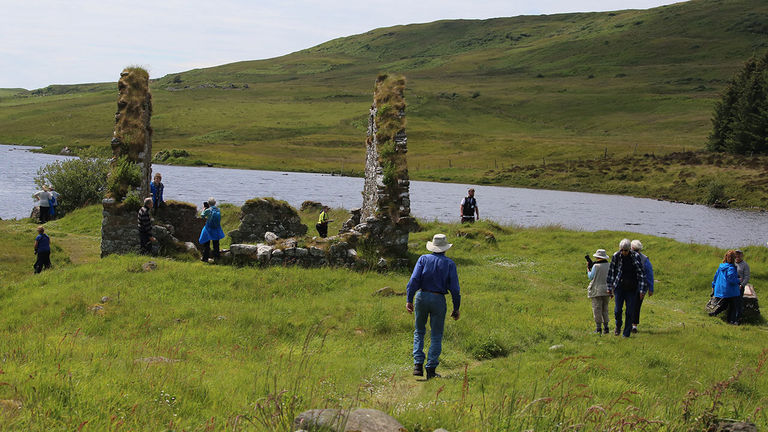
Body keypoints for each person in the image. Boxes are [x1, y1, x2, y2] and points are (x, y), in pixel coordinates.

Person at [406, 234, 461, 379]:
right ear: (445, 248)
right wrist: (456, 308)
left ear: (432, 247)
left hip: (422, 296)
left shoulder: (423, 259)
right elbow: (455, 289)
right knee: (436, 334)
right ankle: (431, 368)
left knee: (419, 331)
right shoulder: (449, 264)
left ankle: (417, 365)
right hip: (438, 299)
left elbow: (414, 280)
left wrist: (409, 299)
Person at [606, 238, 647, 337]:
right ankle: (618, 326)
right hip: (619, 287)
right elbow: (611, 273)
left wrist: (642, 290)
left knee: (629, 311)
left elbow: (641, 273)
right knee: (617, 310)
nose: (624, 252)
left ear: (630, 250)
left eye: (626, 250)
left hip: (632, 288)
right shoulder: (616, 256)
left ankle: (626, 334)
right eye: (622, 250)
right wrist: (609, 288)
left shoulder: (635, 256)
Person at [711, 250, 741, 325]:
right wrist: (738, 280)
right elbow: (731, 279)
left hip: (722, 289)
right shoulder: (731, 268)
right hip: (731, 291)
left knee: (725, 304)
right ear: (734, 258)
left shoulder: (721, 266)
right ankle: (731, 321)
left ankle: (714, 314)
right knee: (733, 306)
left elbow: (715, 276)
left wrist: (713, 286)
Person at [630, 239, 654, 333]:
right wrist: (651, 288)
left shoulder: (644, 259)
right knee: (635, 306)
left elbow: (649, 274)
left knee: (634, 305)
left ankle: (632, 325)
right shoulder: (645, 259)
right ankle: (633, 326)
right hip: (638, 287)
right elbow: (650, 275)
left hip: (639, 287)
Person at [587, 249, 612, 334]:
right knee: (605, 309)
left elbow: (590, 277)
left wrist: (588, 270)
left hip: (597, 290)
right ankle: (606, 327)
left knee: (597, 309)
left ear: (597, 257)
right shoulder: (609, 265)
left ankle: (598, 328)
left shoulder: (596, 266)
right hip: (607, 289)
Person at [199, 197, 225, 262]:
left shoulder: (208, 210)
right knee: (216, 244)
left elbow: (202, 216)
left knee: (206, 244)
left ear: (208, 203)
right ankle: (216, 258)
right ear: (215, 203)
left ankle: (205, 258)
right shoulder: (218, 209)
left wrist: (204, 209)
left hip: (208, 228)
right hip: (216, 229)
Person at [735, 249, 750, 320]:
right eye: (736, 254)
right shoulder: (732, 263)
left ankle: (738, 318)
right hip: (732, 285)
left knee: (739, 302)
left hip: (740, 286)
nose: (737, 256)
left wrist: (742, 285)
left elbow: (747, 276)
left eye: (739, 254)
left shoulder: (745, 265)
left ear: (742, 255)